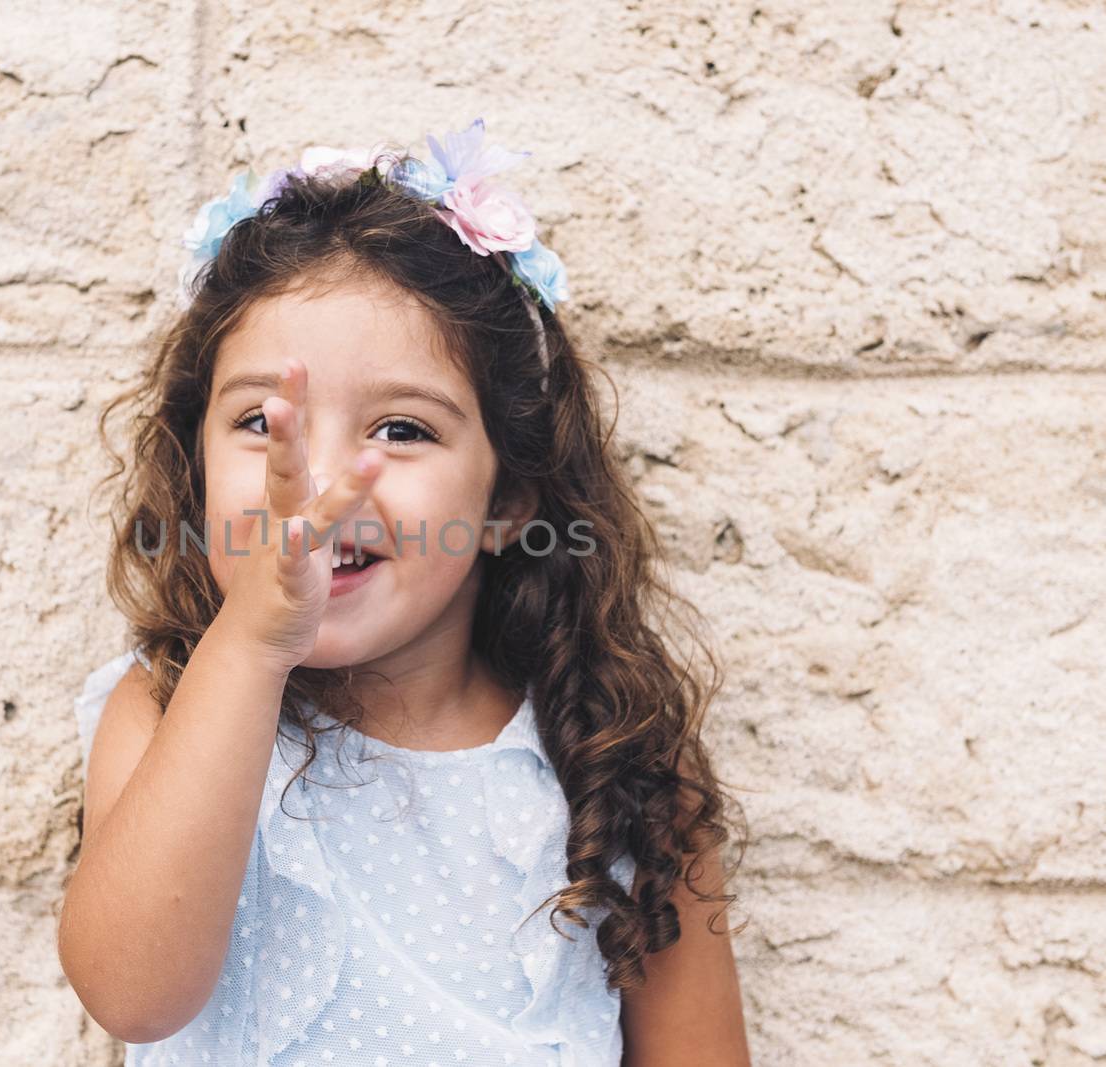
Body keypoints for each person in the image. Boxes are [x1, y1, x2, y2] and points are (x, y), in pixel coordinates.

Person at [58, 117, 752, 1067]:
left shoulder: (611, 763)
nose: (322, 476)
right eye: (262, 420)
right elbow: (133, 992)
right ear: (193, 460)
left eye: (402, 430)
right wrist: (253, 646)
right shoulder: (165, 706)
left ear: (508, 497)